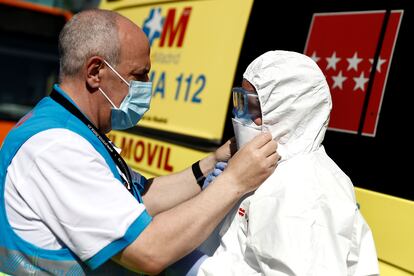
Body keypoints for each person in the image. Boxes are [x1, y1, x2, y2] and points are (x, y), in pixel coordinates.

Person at [0, 10, 280, 275]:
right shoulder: (57, 148)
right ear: (95, 72)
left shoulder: (67, 124)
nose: (148, 84)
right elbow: (149, 251)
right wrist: (234, 181)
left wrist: (214, 161)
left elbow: (140, 198)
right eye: (139, 74)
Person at [197, 50, 380, 275]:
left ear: (287, 111)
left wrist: (199, 267)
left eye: (252, 106)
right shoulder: (273, 169)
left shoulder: (305, 190)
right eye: (239, 101)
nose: (241, 116)